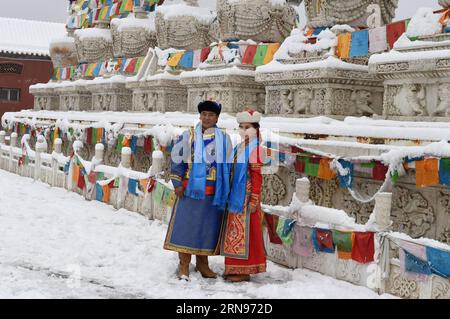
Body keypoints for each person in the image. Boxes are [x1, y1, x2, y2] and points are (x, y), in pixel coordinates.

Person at [164, 100, 232, 281]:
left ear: (217, 118)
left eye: (211, 115)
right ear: (200, 116)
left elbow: (229, 165)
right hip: (190, 190)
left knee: (206, 228)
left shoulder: (224, 139)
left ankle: (203, 264)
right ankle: (184, 264)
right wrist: (177, 183)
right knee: (187, 227)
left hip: (213, 193)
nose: (207, 118)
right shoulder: (188, 136)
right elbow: (177, 160)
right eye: (204, 114)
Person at [220, 109, 267, 282]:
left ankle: (244, 270)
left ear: (255, 129)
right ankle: (233, 267)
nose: (243, 130)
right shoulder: (239, 146)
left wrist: (254, 198)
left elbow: (257, 176)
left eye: (247, 127)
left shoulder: (256, 149)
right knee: (234, 232)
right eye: (241, 126)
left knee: (246, 232)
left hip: (247, 197)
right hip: (235, 195)